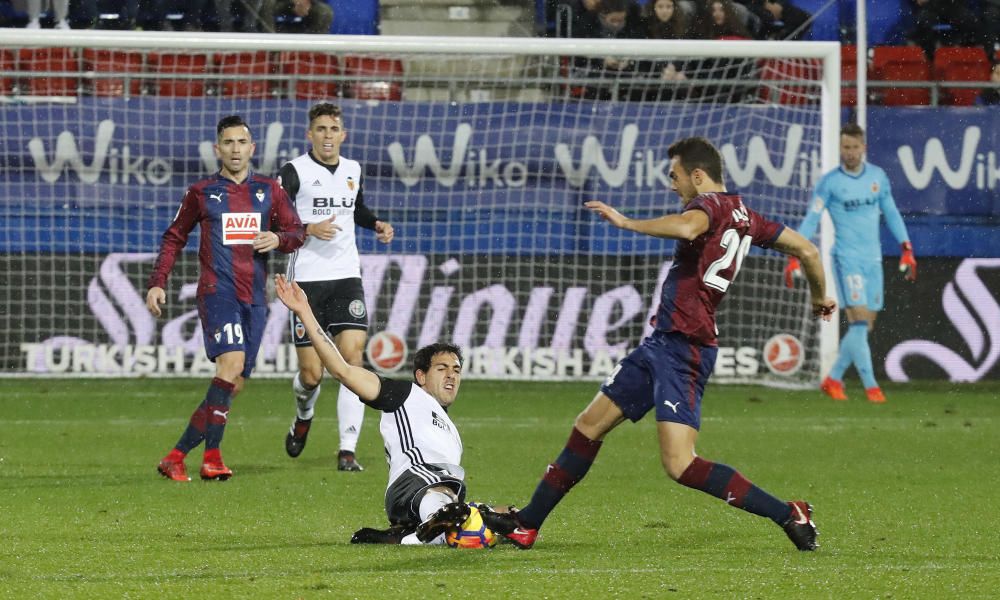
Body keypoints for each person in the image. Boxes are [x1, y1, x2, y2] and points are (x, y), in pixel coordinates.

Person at [481, 136, 836, 552]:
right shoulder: (747, 215)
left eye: (676, 176)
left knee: (680, 464)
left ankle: (789, 513)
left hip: (686, 349)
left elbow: (688, 226)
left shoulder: (709, 207)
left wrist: (626, 222)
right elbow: (808, 251)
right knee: (588, 425)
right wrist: (818, 297)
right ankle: (527, 523)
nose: (673, 185)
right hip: (661, 343)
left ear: (698, 175)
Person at [147, 115, 305, 482]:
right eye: (228, 143)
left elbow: (296, 231)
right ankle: (212, 458)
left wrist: (278, 240)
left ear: (252, 148)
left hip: (255, 299)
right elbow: (174, 237)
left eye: (241, 142)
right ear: (218, 149)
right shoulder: (201, 192)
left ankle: (176, 456)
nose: (235, 149)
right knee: (231, 364)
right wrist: (158, 282)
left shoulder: (269, 190)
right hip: (218, 292)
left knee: (234, 382)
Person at [274, 275, 473, 546]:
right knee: (454, 511)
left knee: (488, 518)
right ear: (421, 376)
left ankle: (408, 537)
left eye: (457, 370)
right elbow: (342, 370)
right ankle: (436, 525)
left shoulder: (452, 432)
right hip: (416, 481)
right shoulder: (404, 394)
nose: (451, 376)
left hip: (435, 491)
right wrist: (305, 312)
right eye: (442, 369)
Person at [280, 103, 394, 472]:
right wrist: (308, 229)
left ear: (343, 135)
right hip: (307, 281)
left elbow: (354, 208)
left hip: (346, 276)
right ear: (309, 134)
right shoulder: (294, 172)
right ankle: (304, 413)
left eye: (333, 129)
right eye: (321, 129)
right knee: (312, 374)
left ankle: (347, 449)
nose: (327, 135)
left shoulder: (353, 170)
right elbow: (276, 218)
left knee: (351, 359)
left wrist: (375, 222)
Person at [784, 123, 916, 404]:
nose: (851, 152)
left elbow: (891, 211)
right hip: (847, 259)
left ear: (863, 148)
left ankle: (833, 379)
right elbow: (812, 218)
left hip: (873, 259)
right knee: (857, 323)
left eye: (855, 147)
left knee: (866, 324)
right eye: (846, 147)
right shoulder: (830, 183)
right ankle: (872, 388)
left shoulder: (877, 178)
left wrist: (906, 246)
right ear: (840, 149)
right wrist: (796, 252)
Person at [259, 0, 333, 34]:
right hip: (277, 3)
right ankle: (271, 48)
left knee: (324, 12)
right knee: (266, 4)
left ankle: (312, 50)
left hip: (306, 3)